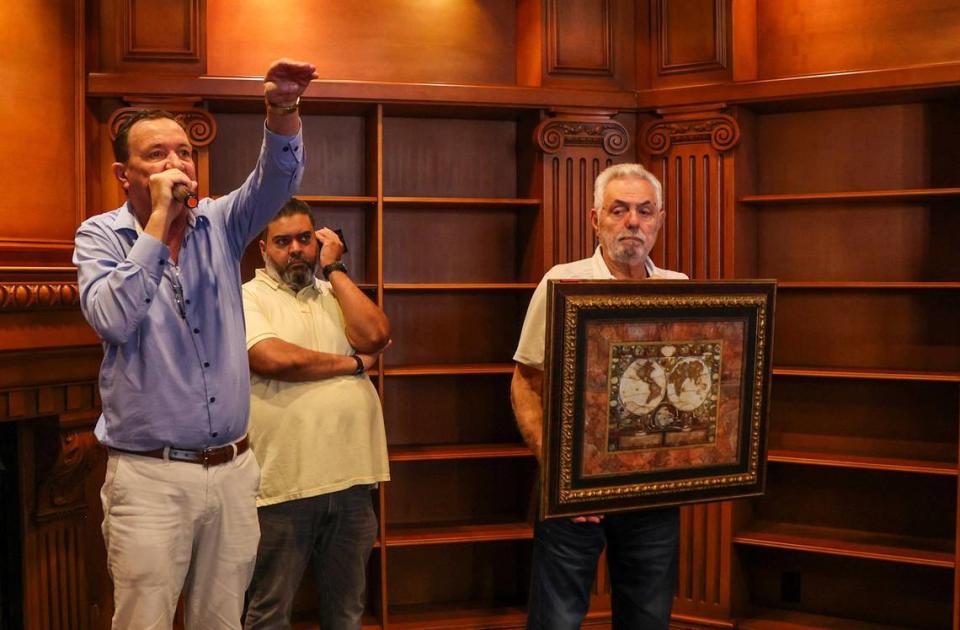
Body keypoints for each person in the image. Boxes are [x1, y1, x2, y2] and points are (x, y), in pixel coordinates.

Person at [73, 58, 318, 629]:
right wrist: (158, 219)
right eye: (157, 155)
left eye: (183, 152)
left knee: (222, 621)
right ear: (123, 173)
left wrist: (281, 109)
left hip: (233, 470)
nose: (176, 164)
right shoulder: (100, 236)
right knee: (145, 622)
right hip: (149, 477)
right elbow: (112, 317)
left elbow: (277, 181)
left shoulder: (222, 223)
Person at [511, 163, 687, 630]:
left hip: (653, 495)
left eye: (644, 211)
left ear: (659, 219)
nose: (633, 221)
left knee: (648, 619)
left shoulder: (681, 289)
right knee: (558, 620)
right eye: (620, 210)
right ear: (595, 219)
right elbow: (525, 384)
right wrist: (559, 476)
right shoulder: (561, 284)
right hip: (574, 500)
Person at [241, 198, 391, 630]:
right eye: (283, 241)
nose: (296, 250)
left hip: (353, 482)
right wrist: (354, 364)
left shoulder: (335, 292)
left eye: (306, 239)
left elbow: (377, 334)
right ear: (263, 249)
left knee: (347, 612)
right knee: (270, 613)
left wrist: (336, 270)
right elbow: (273, 358)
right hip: (282, 486)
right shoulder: (246, 296)